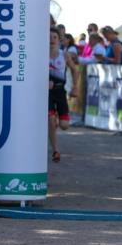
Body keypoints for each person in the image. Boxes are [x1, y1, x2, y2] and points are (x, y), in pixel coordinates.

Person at [48, 27, 73, 163]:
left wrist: (75, 87)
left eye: (54, 37)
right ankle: (55, 150)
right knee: (51, 122)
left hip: (60, 91)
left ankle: (54, 120)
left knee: (64, 125)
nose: (51, 40)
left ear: (59, 40)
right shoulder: (40, 54)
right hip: (46, 93)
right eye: (49, 37)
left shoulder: (64, 55)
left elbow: (76, 70)